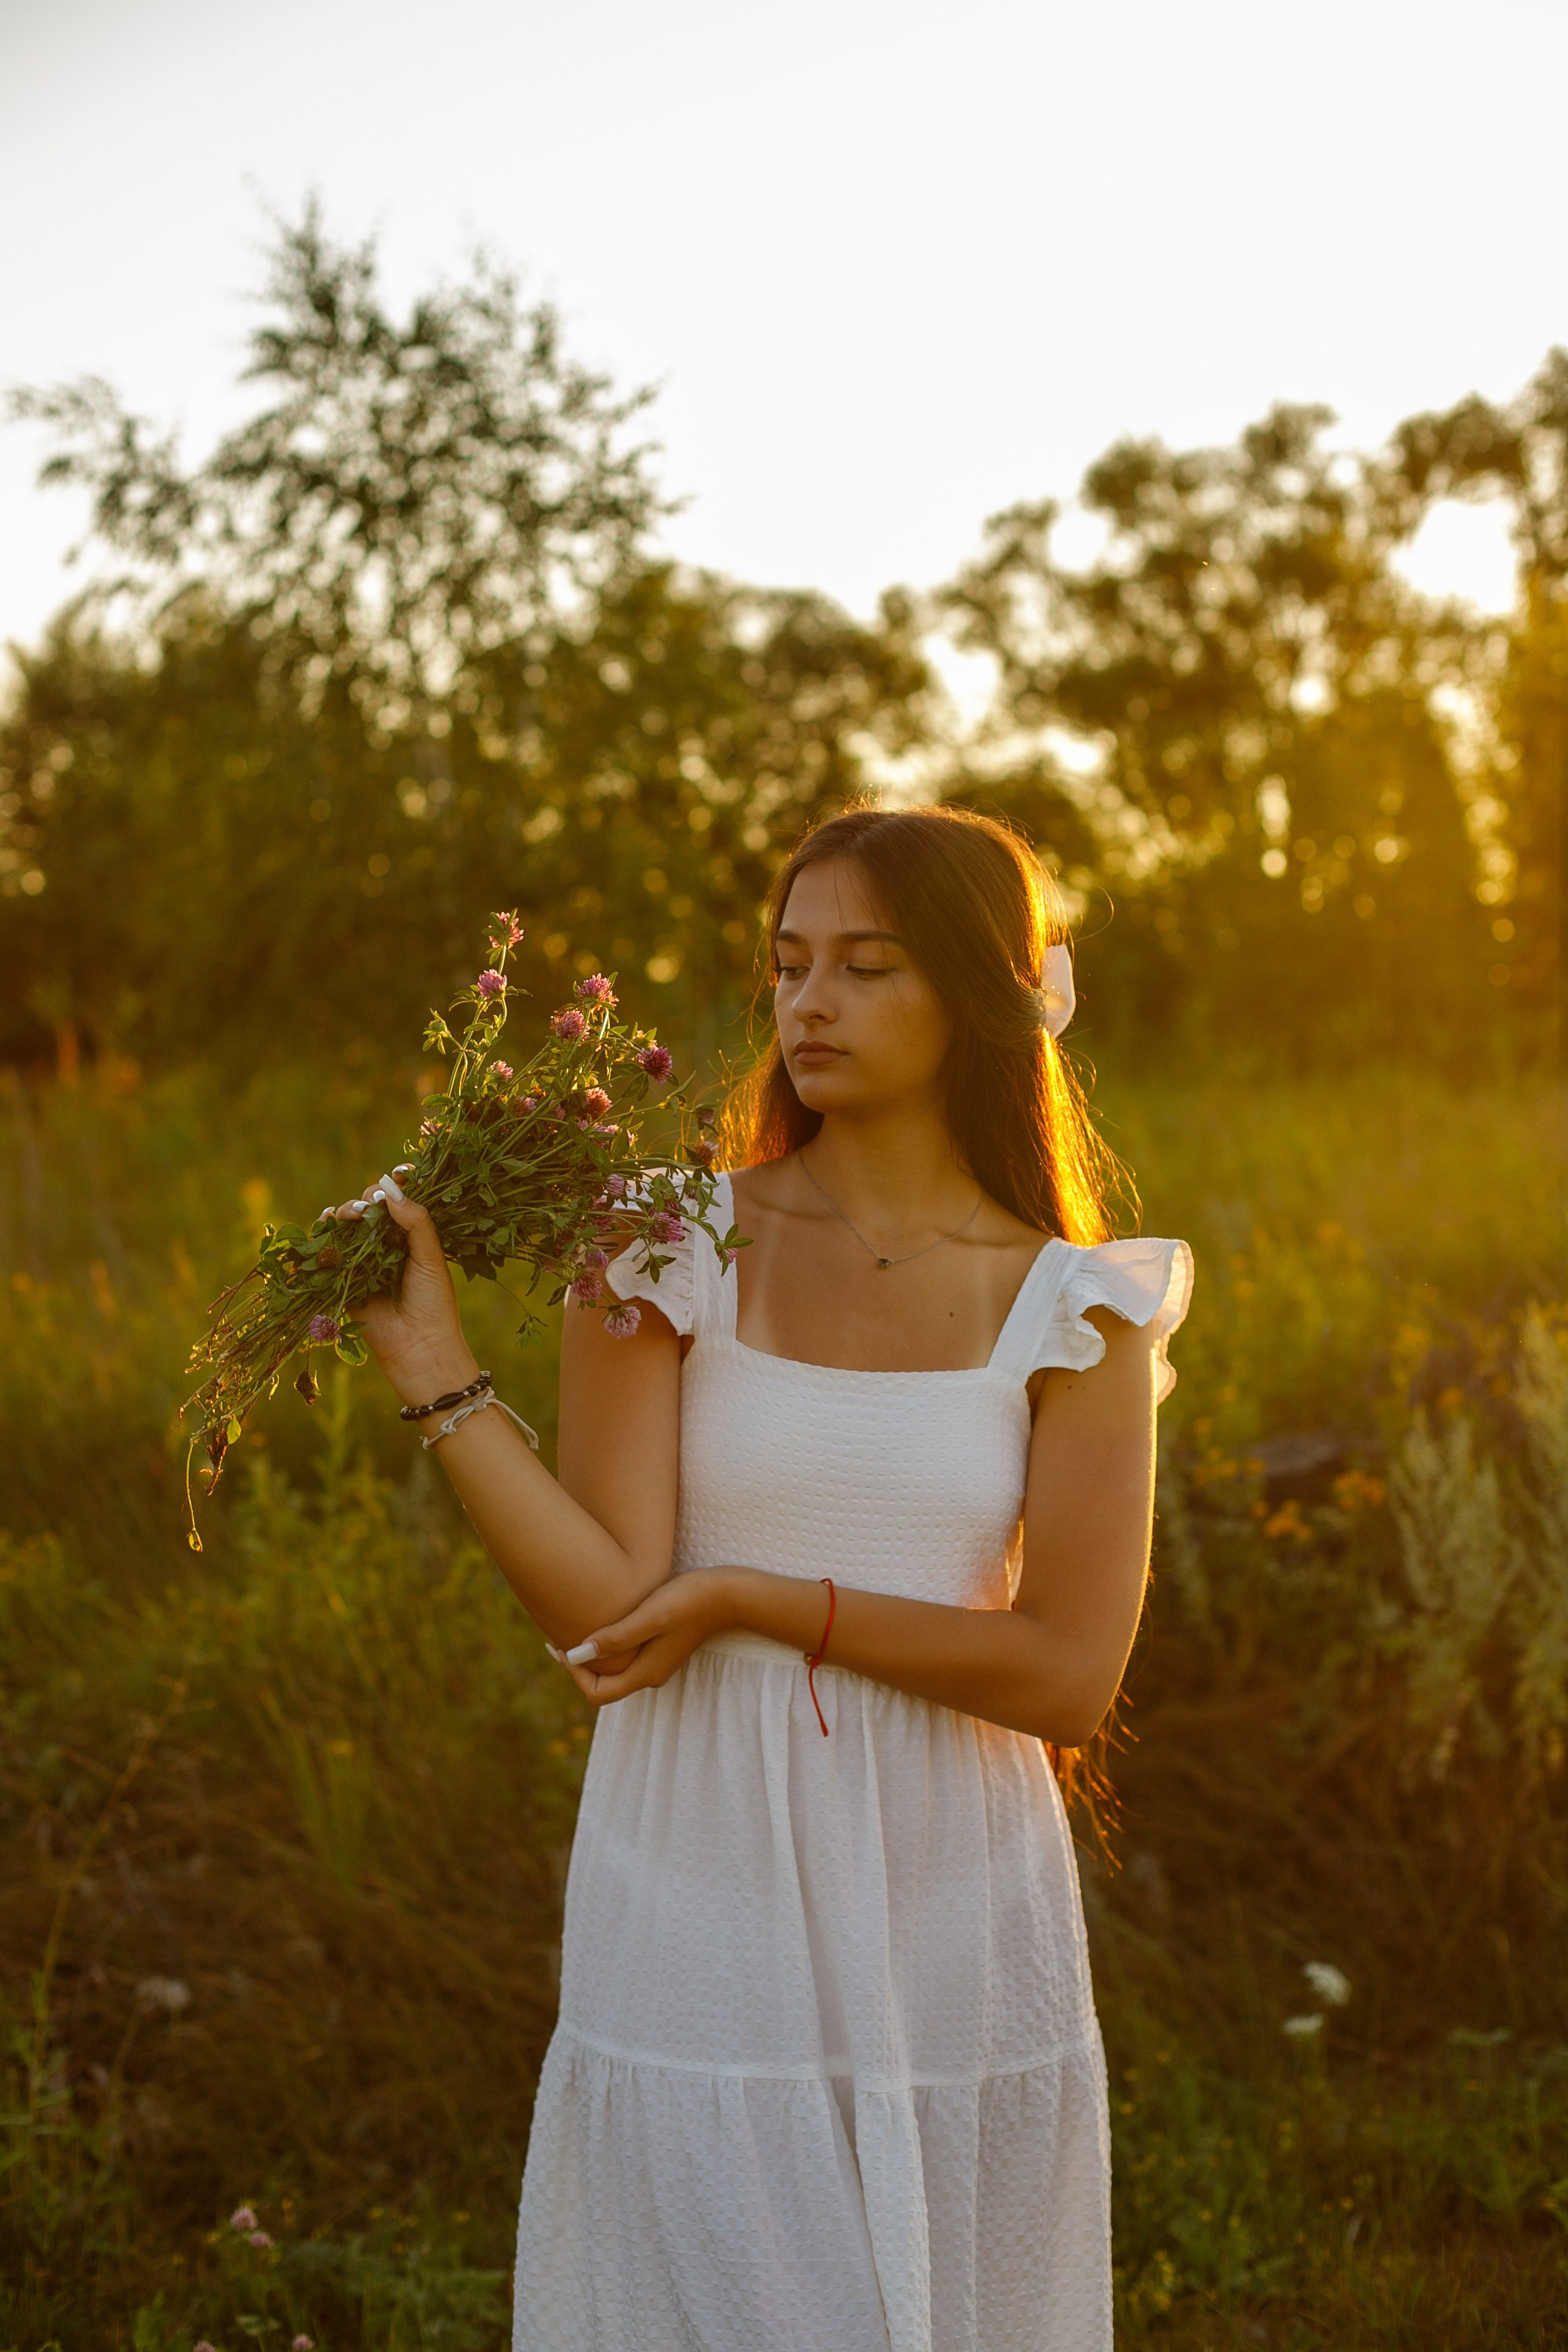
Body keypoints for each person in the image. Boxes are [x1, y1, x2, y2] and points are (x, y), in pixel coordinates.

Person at [330, 805, 1193, 2352]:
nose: (808, 1004)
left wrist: (757, 1601)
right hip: (699, 1853)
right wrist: (439, 1373)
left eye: (866, 967)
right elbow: (605, 1604)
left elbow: (1068, 1672)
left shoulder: (1075, 1310)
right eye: (790, 964)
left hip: (943, 1873)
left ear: (985, 996)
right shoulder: (663, 1243)